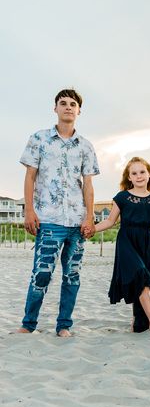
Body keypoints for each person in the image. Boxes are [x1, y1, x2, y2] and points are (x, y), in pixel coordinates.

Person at [16, 89, 99, 337]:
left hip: (77, 222)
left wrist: (89, 217)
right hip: (49, 219)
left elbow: (88, 184)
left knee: (72, 276)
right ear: (55, 108)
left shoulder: (85, 146)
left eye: (73, 104)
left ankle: (64, 325)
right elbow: (30, 177)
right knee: (42, 274)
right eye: (63, 103)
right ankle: (28, 324)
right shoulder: (39, 139)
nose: (68, 107)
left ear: (79, 111)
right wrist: (29, 211)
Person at [85, 157, 150, 335]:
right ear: (129, 177)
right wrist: (92, 229)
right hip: (126, 242)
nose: (139, 176)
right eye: (134, 173)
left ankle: (141, 320)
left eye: (142, 172)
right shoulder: (122, 197)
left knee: (144, 281)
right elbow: (110, 221)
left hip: (145, 242)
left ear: (149, 174)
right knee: (140, 275)